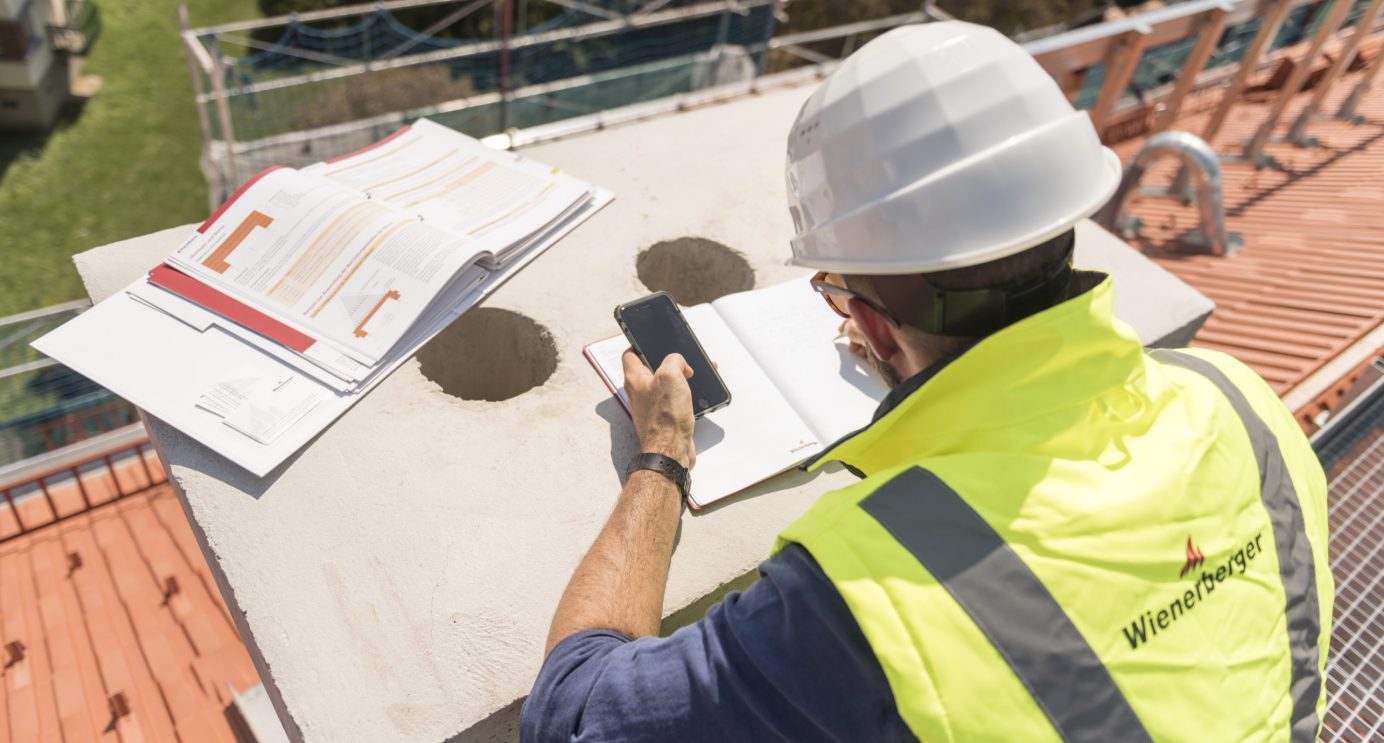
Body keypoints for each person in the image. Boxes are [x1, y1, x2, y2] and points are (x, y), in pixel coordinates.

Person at [521, 21, 1333, 742]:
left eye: (839, 292)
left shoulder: (862, 597)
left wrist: (661, 457)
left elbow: (571, 715)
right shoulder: (1239, 399)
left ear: (869, 326)